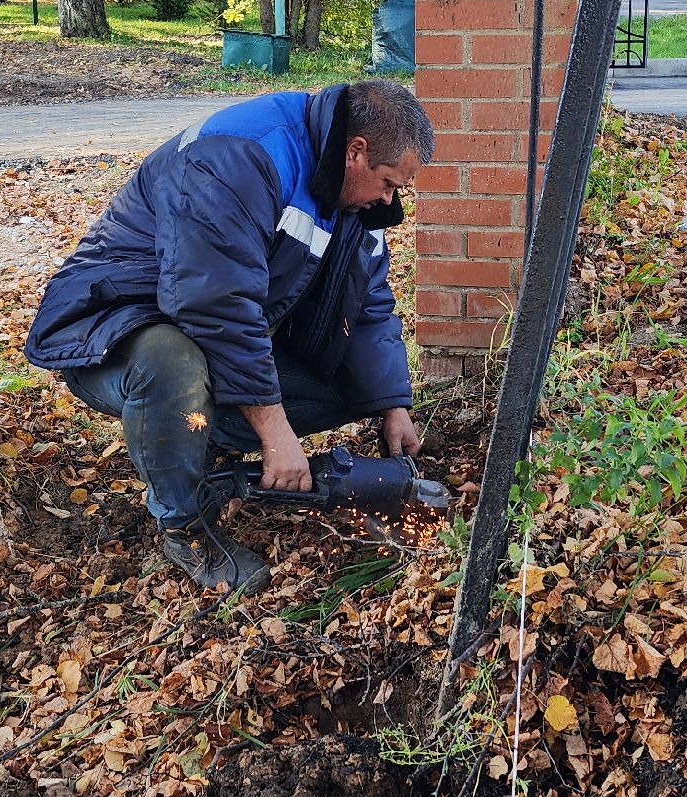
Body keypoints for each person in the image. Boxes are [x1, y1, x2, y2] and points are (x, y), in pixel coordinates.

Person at [23, 80, 433, 594]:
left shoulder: (352, 199)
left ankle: (203, 444)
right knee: (171, 363)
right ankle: (185, 525)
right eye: (389, 183)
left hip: (203, 327)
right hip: (114, 323)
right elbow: (214, 303)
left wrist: (392, 405)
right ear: (356, 151)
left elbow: (367, 301)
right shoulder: (242, 156)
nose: (389, 199)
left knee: (352, 385)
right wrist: (275, 432)